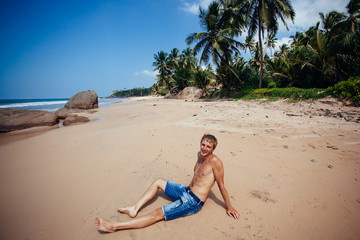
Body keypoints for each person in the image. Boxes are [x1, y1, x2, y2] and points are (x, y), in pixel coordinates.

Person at [94, 134, 239, 232]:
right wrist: (186, 189)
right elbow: (197, 177)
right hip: (185, 190)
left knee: (158, 213)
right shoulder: (199, 155)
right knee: (158, 181)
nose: (204, 148)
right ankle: (134, 208)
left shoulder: (215, 161)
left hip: (193, 202)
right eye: (203, 144)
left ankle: (114, 226)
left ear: (213, 149)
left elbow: (221, 185)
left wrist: (229, 206)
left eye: (208, 146)